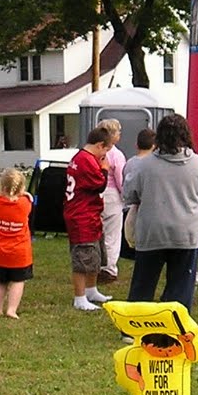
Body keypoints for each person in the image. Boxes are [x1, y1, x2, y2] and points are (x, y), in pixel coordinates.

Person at [121, 112, 198, 311]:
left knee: (143, 283)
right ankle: (174, 326)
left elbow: (130, 193)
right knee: (181, 286)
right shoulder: (197, 163)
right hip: (186, 231)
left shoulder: (145, 165)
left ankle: (136, 324)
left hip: (153, 230)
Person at [64, 125, 113, 311]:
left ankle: (91, 289)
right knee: (83, 257)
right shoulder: (86, 160)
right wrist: (105, 169)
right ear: (100, 145)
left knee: (95, 254)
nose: (105, 155)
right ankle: (80, 297)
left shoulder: (79, 158)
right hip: (81, 215)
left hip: (89, 213)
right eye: (106, 150)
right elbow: (99, 184)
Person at [0, 167, 33, 319]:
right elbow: (29, 199)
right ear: (21, 188)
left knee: (0, 282)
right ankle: (11, 309)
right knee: (17, 281)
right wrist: (24, 194)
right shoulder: (24, 204)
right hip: (19, 253)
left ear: (2, 187)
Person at [98, 119, 127, 285]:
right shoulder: (116, 154)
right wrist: (126, 197)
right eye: (118, 131)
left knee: (98, 233)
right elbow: (121, 180)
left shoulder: (94, 152)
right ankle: (109, 268)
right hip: (111, 195)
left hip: (95, 195)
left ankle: (95, 265)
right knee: (112, 234)